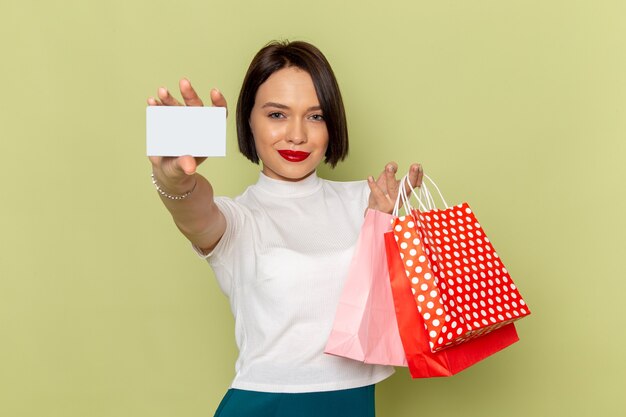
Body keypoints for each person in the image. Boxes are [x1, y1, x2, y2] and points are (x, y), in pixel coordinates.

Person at [147, 40, 423, 417]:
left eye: (316, 116)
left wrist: (384, 224)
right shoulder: (239, 219)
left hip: (351, 403)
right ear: (248, 119)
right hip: (263, 404)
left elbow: (401, 308)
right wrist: (173, 179)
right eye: (277, 115)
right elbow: (193, 208)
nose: (297, 135)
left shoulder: (367, 199)